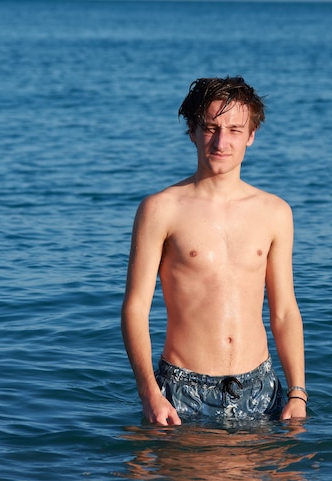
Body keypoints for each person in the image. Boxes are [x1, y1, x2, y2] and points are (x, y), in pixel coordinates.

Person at [121, 76, 307, 425]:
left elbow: (284, 311)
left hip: (261, 389)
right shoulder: (161, 209)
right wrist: (149, 393)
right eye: (210, 127)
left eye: (235, 129)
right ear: (191, 131)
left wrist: (298, 392)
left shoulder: (275, 212)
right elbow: (135, 308)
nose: (222, 141)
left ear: (251, 136)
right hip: (181, 391)